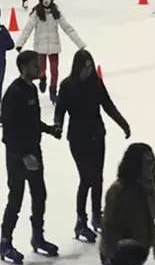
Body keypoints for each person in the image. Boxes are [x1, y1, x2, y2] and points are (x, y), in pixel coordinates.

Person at [55, 49, 130, 245]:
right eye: (85, 68)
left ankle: (97, 214)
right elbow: (60, 110)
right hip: (78, 138)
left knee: (97, 177)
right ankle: (81, 221)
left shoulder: (96, 83)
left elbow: (107, 105)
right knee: (86, 178)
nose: (88, 71)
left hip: (97, 135)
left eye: (90, 67)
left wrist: (122, 123)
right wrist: (58, 126)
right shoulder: (67, 86)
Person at [0, 50, 61, 264]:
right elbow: (9, 130)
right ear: (24, 68)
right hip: (17, 156)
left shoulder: (32, 89)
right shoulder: (13, 93)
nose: (39, 69)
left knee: (40, 195)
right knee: (16, 198)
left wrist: (49, 129)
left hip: (34, 151)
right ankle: (5, 243)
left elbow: (31, 121)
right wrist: (23, 155)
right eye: (35, 66)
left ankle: (37, 237)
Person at [15, 0, 84, 102]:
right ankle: (42, 78)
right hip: (40, 47)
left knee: (54, 71)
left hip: (54, 46)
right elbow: (28, 29)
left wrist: (80, 43)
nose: (46, 0)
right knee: (41, 69)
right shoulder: (36, 13)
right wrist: (20, 43)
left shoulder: (56, 13)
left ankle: (53, 91)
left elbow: (67, 28)